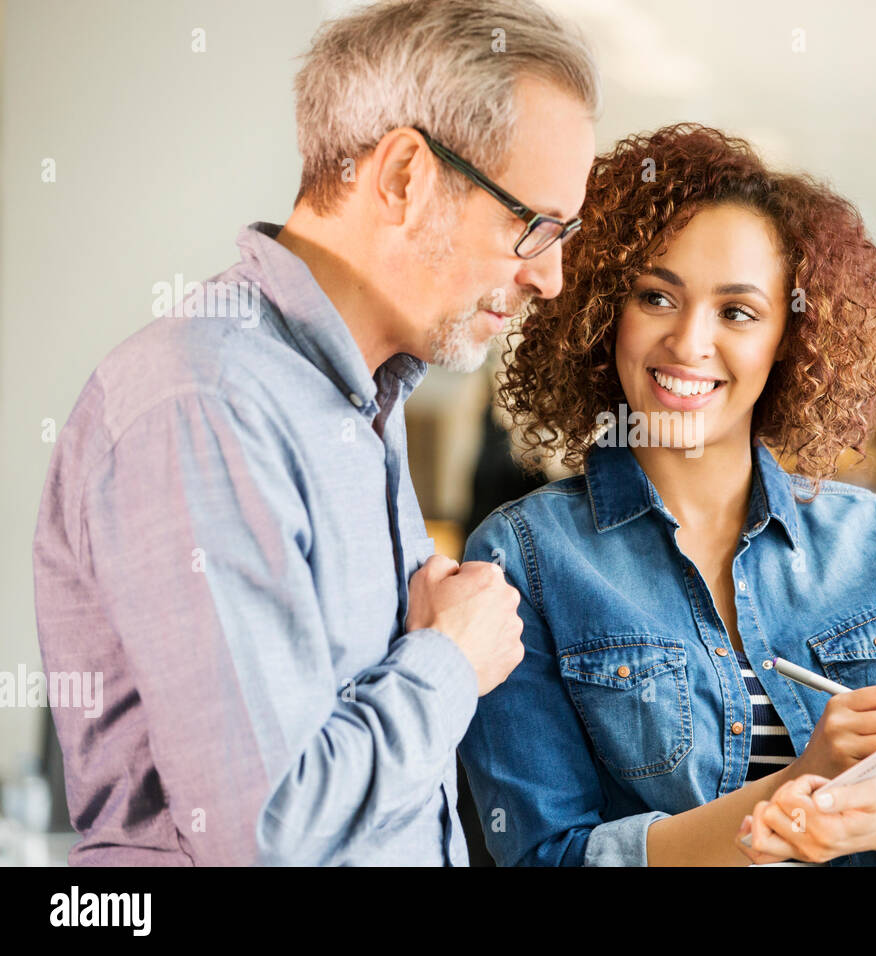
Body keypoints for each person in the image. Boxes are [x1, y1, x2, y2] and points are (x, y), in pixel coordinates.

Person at [31, 0, 598, 865]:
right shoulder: (201, 402)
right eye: (534, 226)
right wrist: (452, 659)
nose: (551, 278)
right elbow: (269, 834)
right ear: (406, 176)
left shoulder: (364, 400)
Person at [458, 124, 876, 866]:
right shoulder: (523, 559)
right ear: (602, 315)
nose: (690, 343)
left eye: (737, 312)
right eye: (657, 296)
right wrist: (799, 784)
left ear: (790, 338)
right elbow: (543, 856)